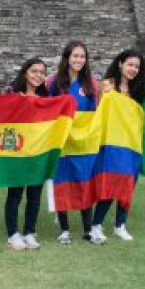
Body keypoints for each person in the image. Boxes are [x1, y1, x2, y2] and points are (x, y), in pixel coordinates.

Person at [90, 49, 145, 244]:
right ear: (120, 64)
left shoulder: (140, 92)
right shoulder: (107, 86)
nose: (133, 69)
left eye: (137, 67)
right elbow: (99, 111)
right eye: (130, 65)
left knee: (128, 185)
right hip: (112, 144)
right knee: (110, 184)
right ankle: (96, 224)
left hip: (132, 145)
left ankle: (120, 225)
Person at [47, 41, 98, 244]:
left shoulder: (91, 83)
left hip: (84, 143)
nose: (78, 60)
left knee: (84, 182)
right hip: (61, 142)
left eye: (82, 56)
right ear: (67, 58)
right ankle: (65, 230)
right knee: (63, 182)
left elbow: (96, 112)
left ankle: (87, 230)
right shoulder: (54, 82)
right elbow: (47, 108)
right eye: (75, 56)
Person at [6, 58, 48, 250]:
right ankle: (13, 234)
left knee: (34, 195)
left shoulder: (46, 100)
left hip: (38, 153)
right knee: (15, 194)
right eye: (34, 71)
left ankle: (30, 232)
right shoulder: (13, 96)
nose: (38, 75)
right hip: (17, 153)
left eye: (42, 72)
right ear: (25, 73)